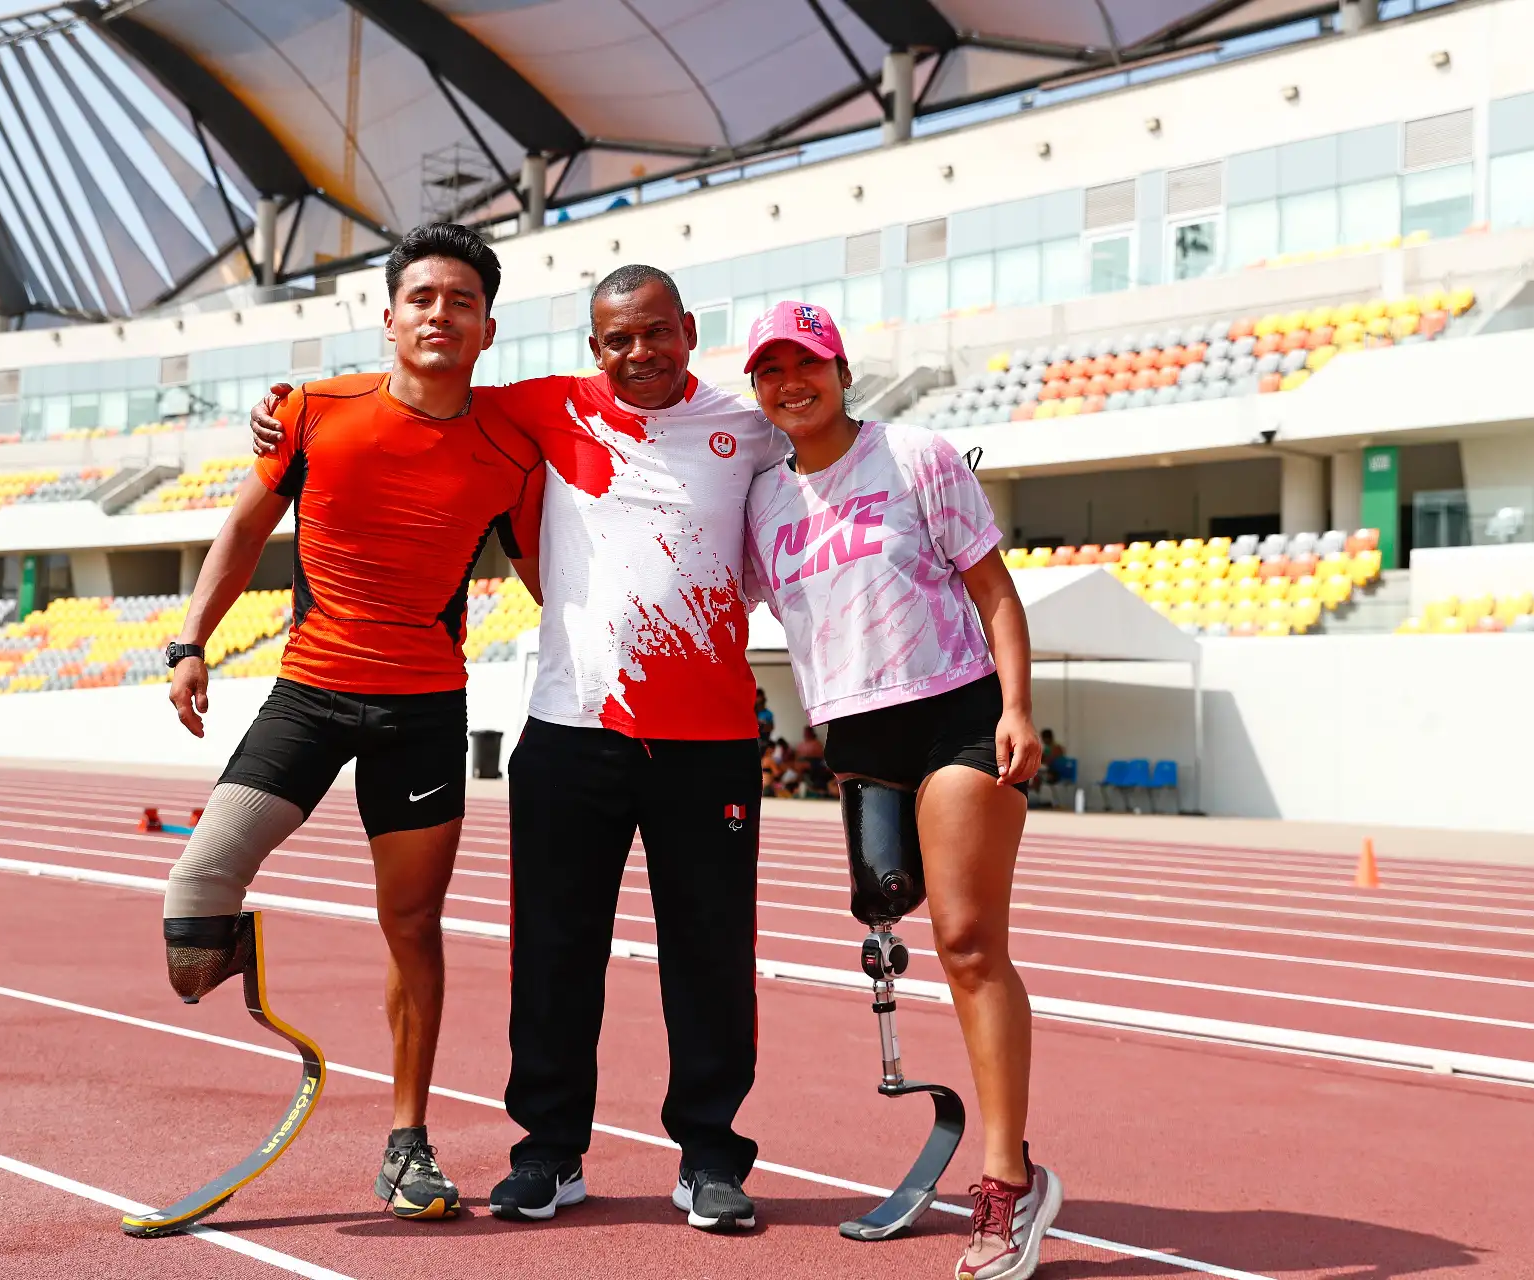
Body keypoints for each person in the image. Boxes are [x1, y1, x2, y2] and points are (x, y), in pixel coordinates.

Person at [252, 263, 785, 1233]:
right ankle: (548, 1151)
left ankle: (710, 1152)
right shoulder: (544, 408)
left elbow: (831, 451)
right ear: (593, 349)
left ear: (688, 330)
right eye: (616, 339)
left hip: (708, 739)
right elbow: (424, 382)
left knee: (709, 954)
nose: (638, 353)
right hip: (569, 734)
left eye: (655, 332)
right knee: (551, 951)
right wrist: (285, 407)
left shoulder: (748, 431)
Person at [162, 223, 543, 1221]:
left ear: (487, 326)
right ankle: (237, 959)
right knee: (196, 897)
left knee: (412, 924)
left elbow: (552, 573)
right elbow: (245, 526)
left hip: (424, 709)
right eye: (422, 297)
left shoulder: (511, 442)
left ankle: (407, 1141)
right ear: (389, 315)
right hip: (311, 691)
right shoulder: (313, 410)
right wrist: (191, 640)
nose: (440, 314)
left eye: (461, 300)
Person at [740, 300, 1061, 1280]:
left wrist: (1016, 707)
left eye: (808, 364)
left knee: (967, 939)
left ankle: (1007, 1177)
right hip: (858, 733)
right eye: (770, 372)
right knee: (885, 910)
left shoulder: (916, 455)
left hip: (959, 711)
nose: (791, 383)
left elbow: (996, 591)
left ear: (840, 365)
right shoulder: (762, 502)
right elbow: (727, 605)